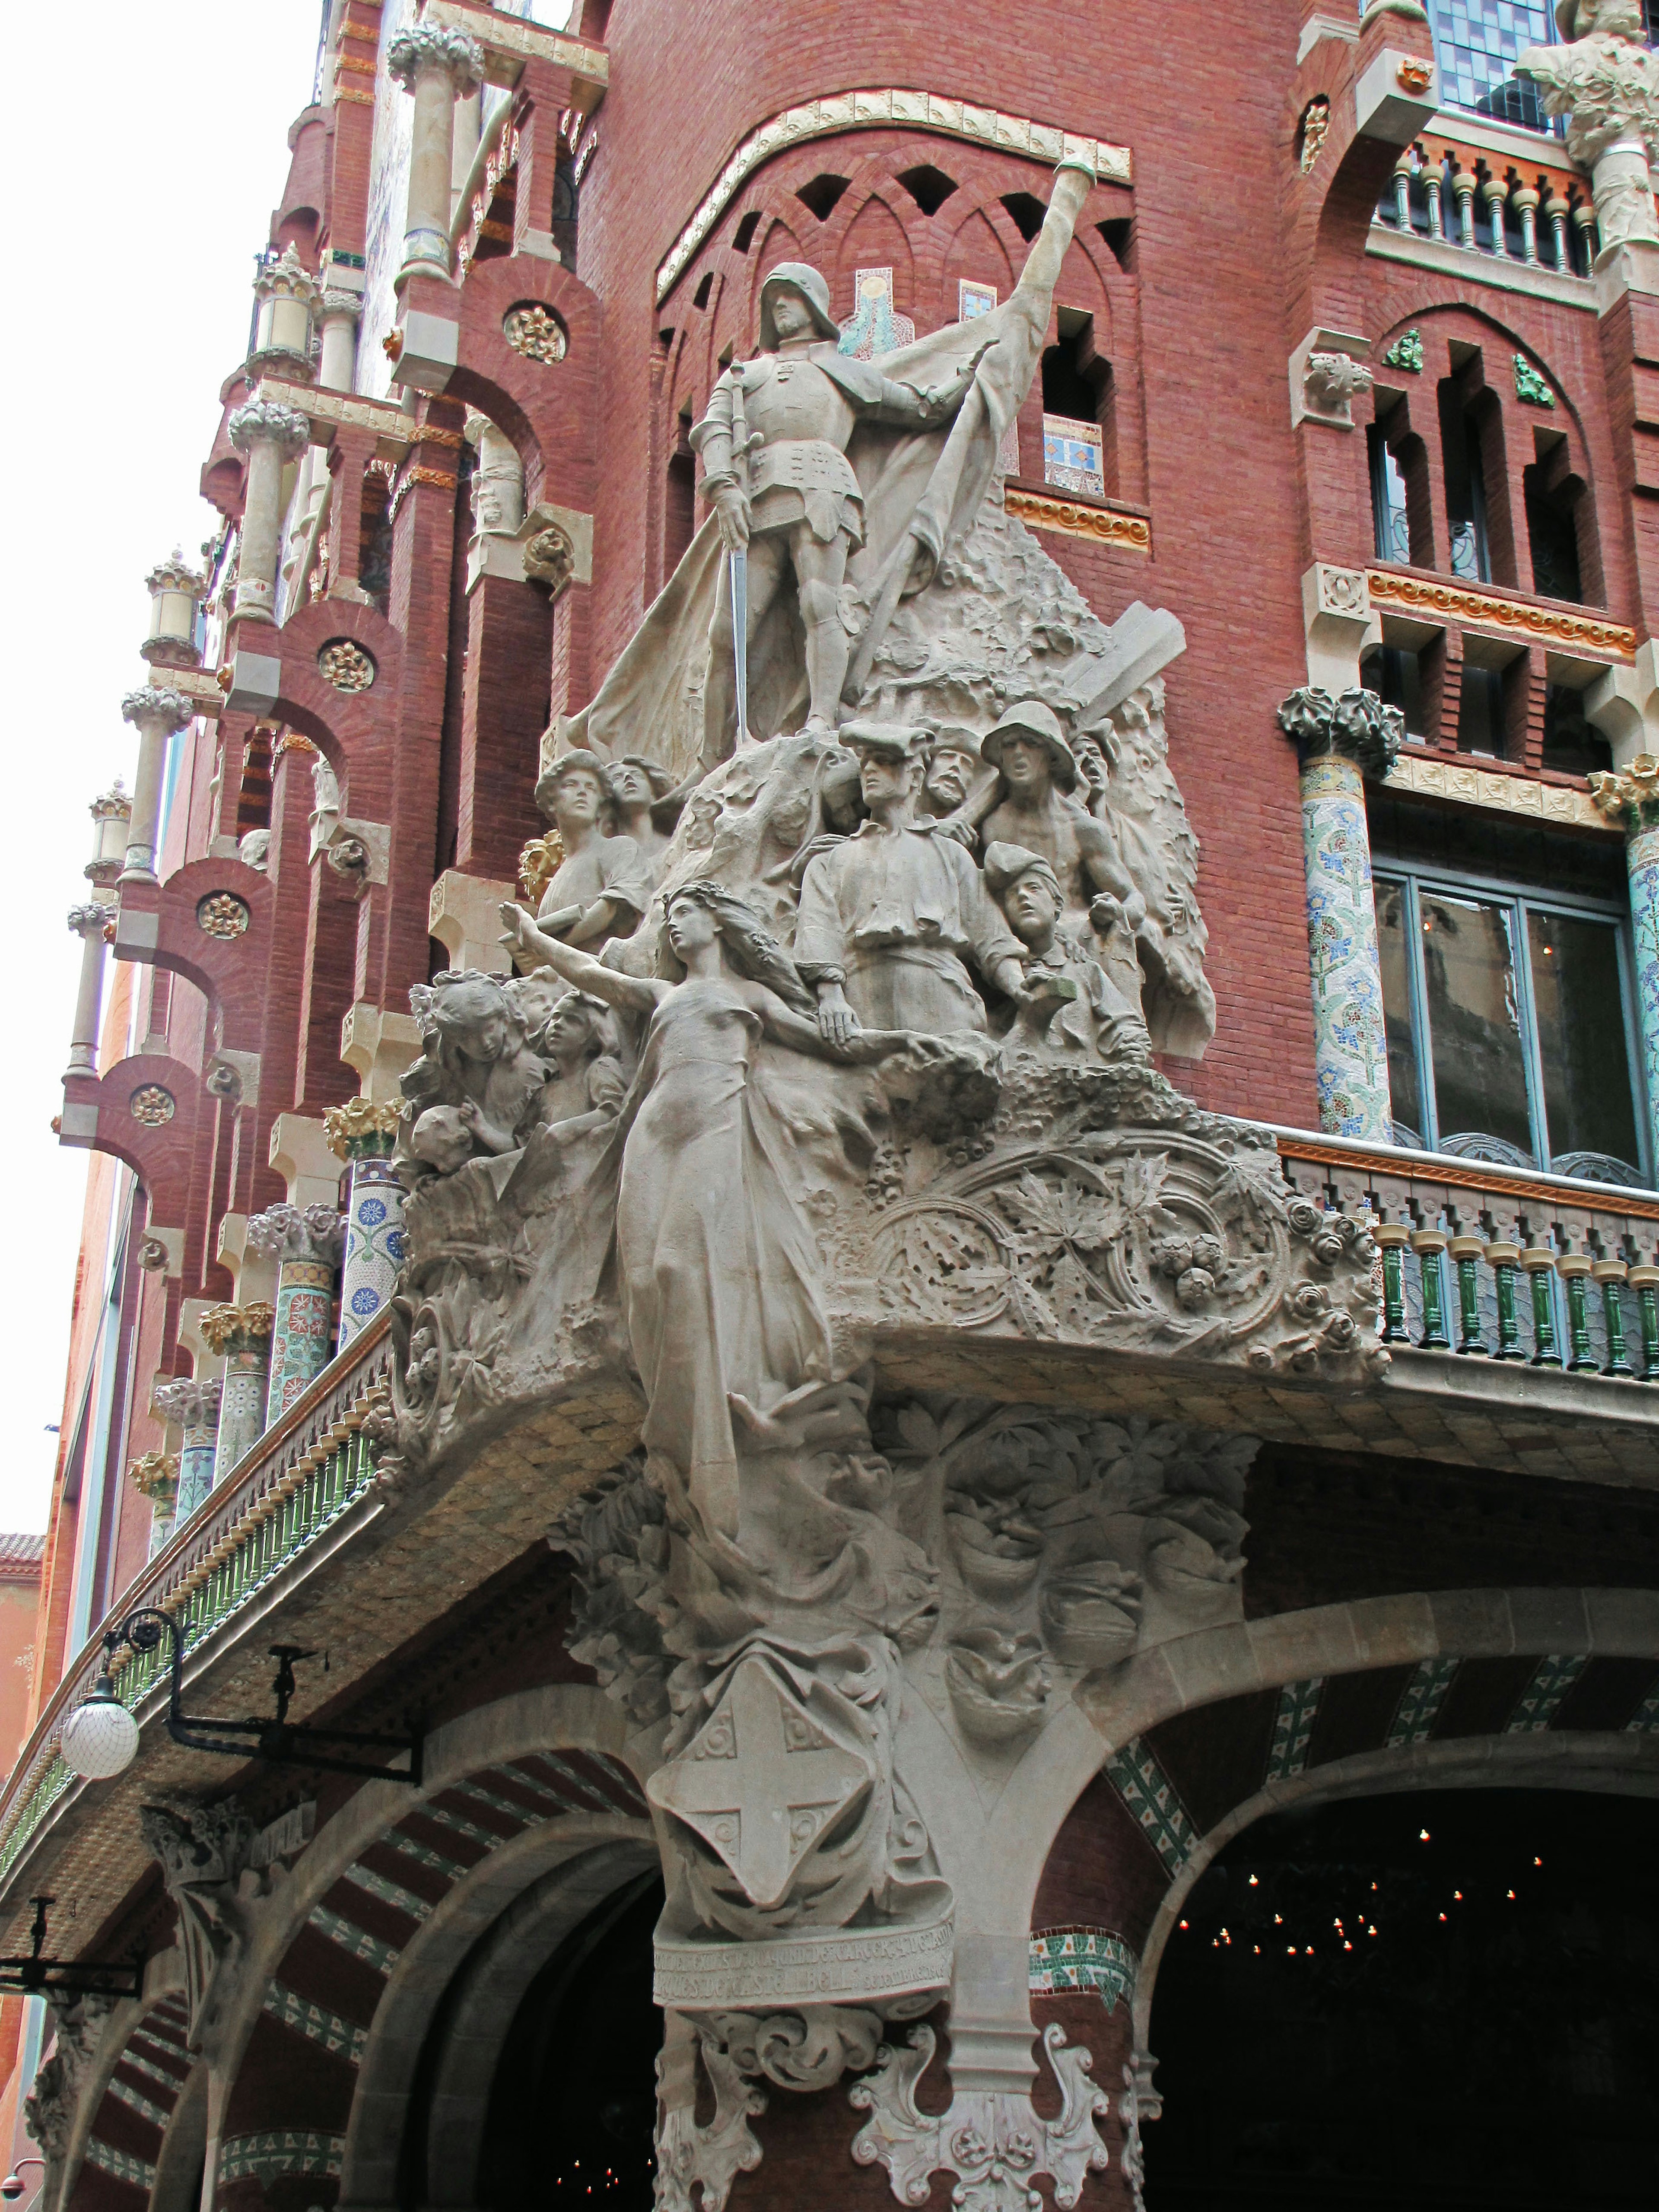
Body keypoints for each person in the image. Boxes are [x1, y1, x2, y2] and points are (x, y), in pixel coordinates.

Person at [498, 880, 912, 1538]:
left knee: (676, 1269)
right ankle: (676, 1418)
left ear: (716, 924)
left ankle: (719, 1419)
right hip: (654, 1131)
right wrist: (536, 940)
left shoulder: (751, 996)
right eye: (669, 918)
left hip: (715, 1129)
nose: (673, 928)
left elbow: (830, 1045)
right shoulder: (665, 995)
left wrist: (897, 1040)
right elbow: (590, 973)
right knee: (641, 1281)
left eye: (684, 914)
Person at [692, 264, 985, 761]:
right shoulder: (743, 376)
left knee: (820, 605)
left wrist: (968, 378)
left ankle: (822, 718)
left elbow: (918, 407)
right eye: (774, 300)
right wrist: (723, 486)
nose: (780, 307)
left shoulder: (846, 371)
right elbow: (713, 430)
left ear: (814, 304)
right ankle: (712, 753)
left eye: (790, 297)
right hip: (755, 496)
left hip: (822, 488)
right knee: (728, 630)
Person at [794, 720, 1027, 1042]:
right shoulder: (828, 862)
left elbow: (991, 936)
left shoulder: (950, 854)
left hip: (944, 1002)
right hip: (863, 1006)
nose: (870, 771)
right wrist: (831, 997)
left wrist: (1020, 986)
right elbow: (817, 934)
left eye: (886, 762)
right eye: (866, 763)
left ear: (916, 777)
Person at [978, 698, 1147, 925]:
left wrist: (1118, 912)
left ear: (1053, 757)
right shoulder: (995, 826)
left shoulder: (1083, 829)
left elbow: (1133, 898)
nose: (1018, 753)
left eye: (1031, 743)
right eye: (1009, 745)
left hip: (1075, 945)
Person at [982, 842, 1152, 1064]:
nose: (1023, 897)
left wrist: (1134, 1047)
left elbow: (1125, 1022)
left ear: (1057, 903)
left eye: (1033, 888)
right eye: (1013, 894)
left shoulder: (1083, 969)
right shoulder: (999, 976)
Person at [532, 750, 655, 947]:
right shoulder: (555, 882)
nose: (583, 792)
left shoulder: (619, 848)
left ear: (600, 804)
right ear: (552, 802)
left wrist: (548, 949)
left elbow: (615, 905)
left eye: (591, 788)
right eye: (571, 785)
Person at [602, 755, 678, 885]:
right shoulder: (604, 856)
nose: (628, 778)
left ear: (653, 794)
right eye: (617, 778)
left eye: (638, 775)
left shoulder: (675, 844)